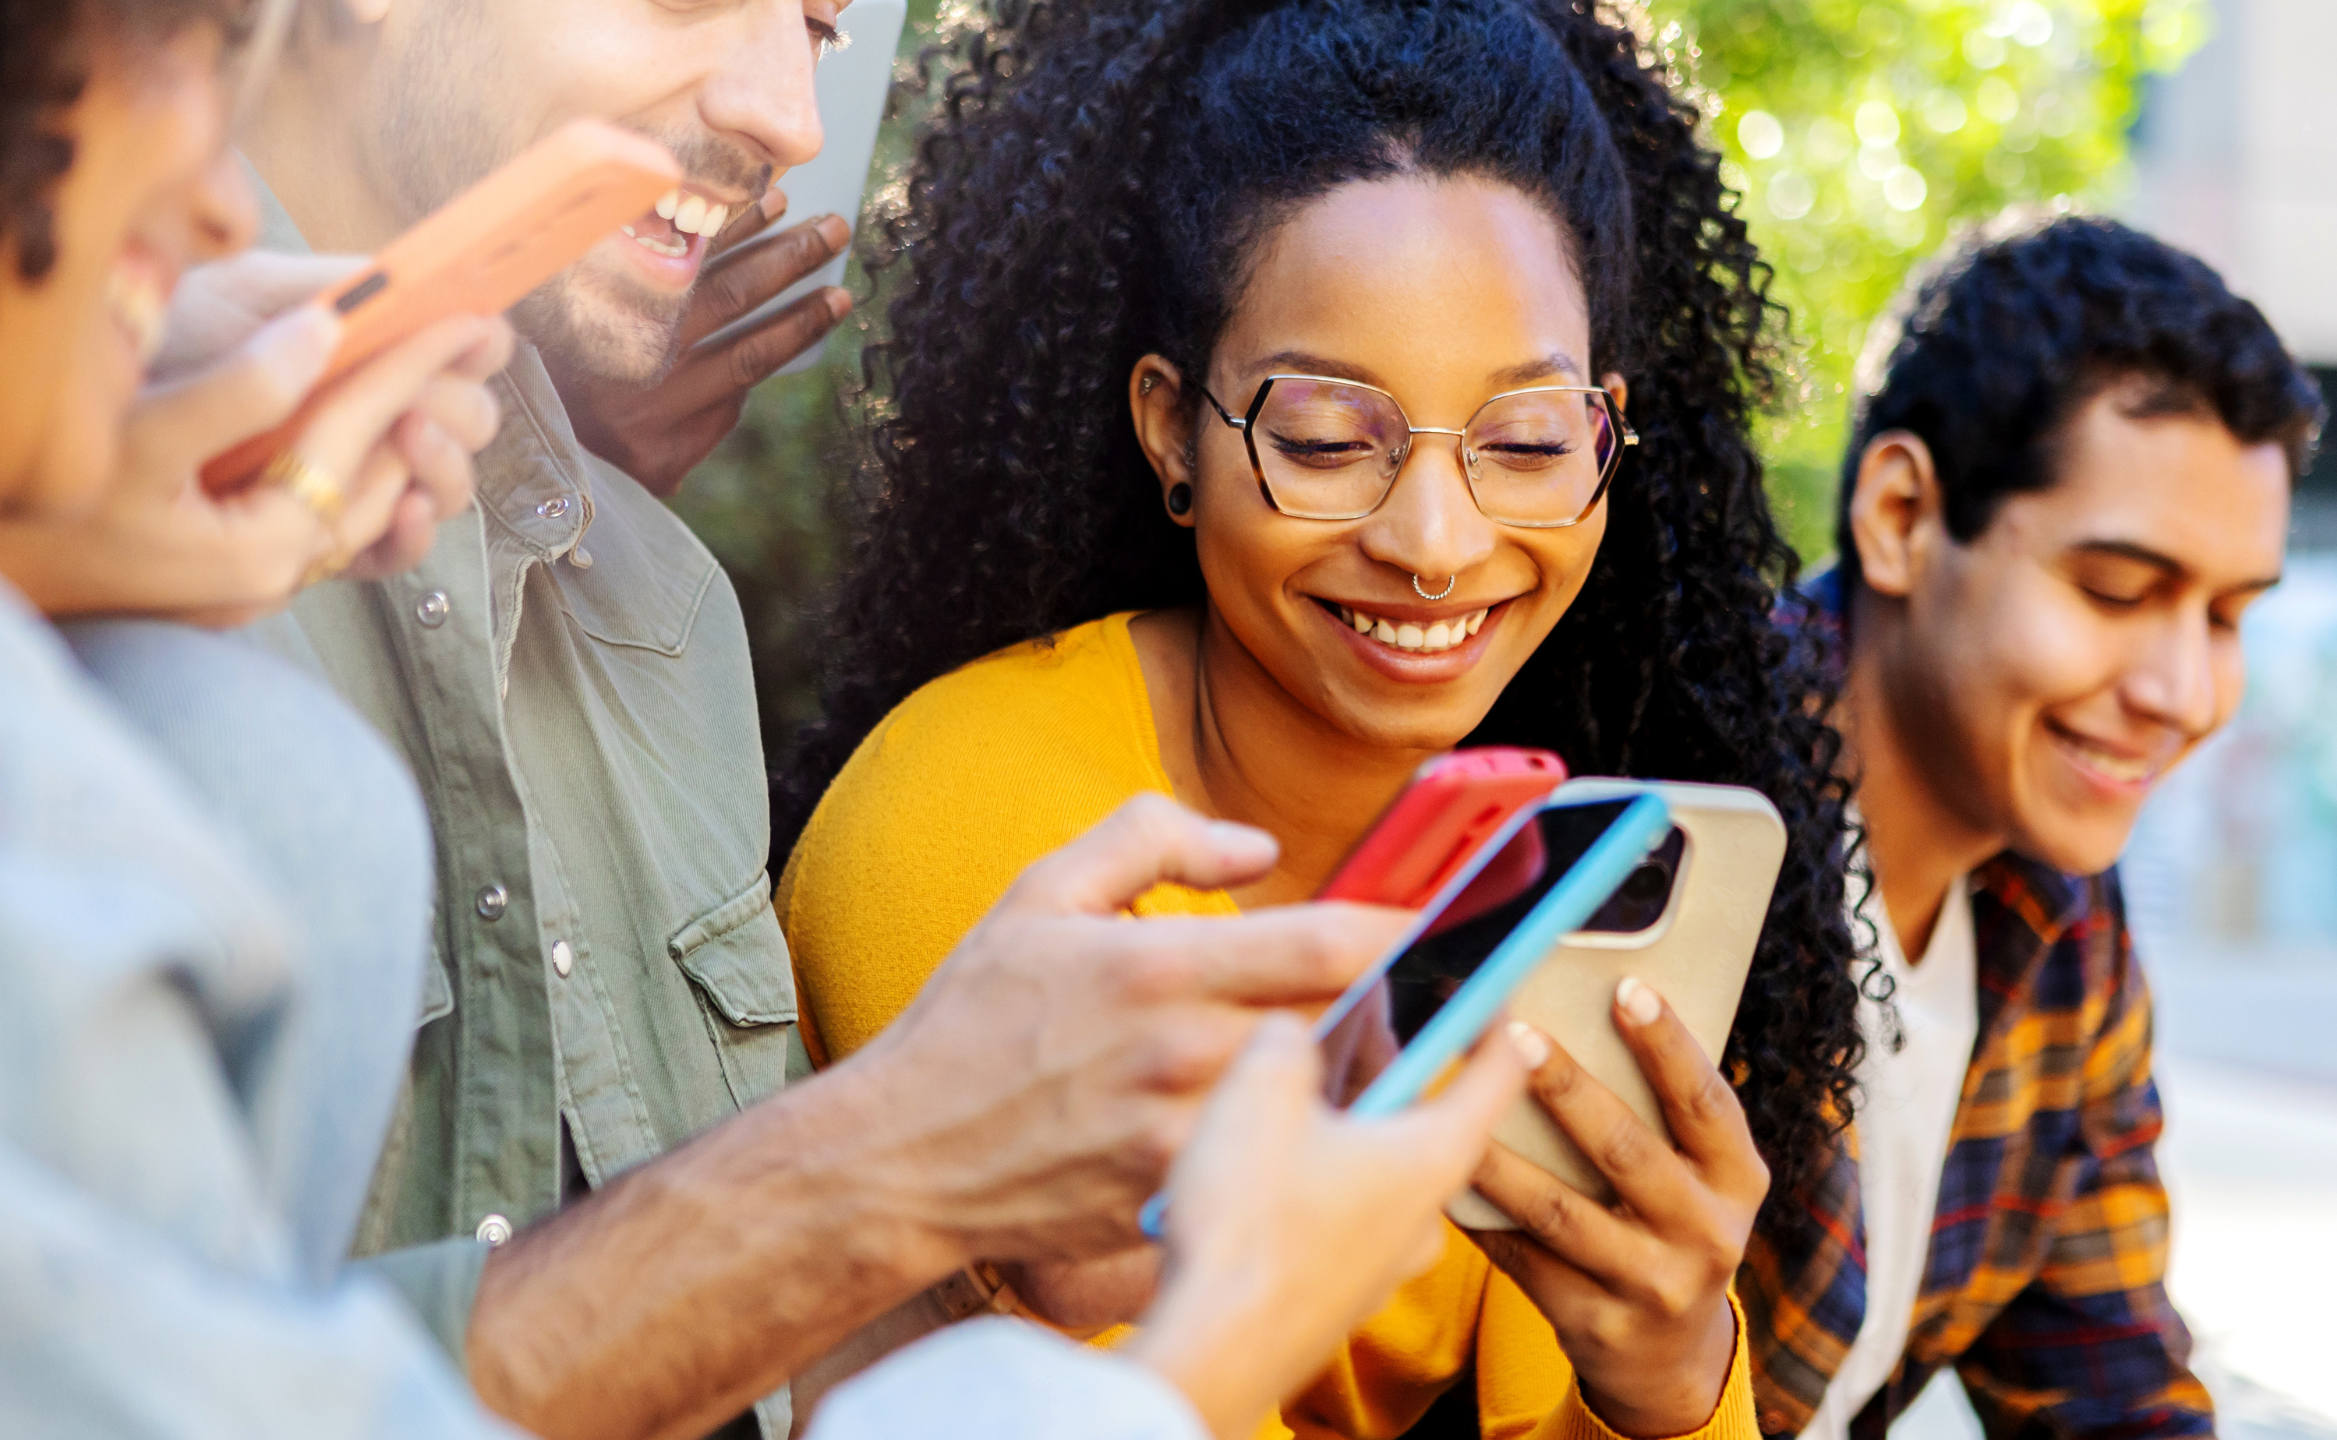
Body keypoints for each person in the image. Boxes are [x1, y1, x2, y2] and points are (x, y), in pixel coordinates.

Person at [0, 18, 1543, 1439]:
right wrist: (1146, 1311)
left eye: (816, 21)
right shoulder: (153, 684)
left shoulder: (657, 611)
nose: (787, 116)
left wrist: (979, 1247)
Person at [773, 3, 1863, 1436]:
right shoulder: (967, 827)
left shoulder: (1565, 860)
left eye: (1527, 443)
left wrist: (1664, 1378)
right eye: (1329, 439)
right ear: (1173, 427)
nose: (1435, 537)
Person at [1743, 212, 2322, 1439]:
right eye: (2117, 590)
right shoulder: (1683, 836)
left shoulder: (2062, 908)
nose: (2181, 691)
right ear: (1900, 517)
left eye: (2225, 617)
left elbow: (2108, 1388)